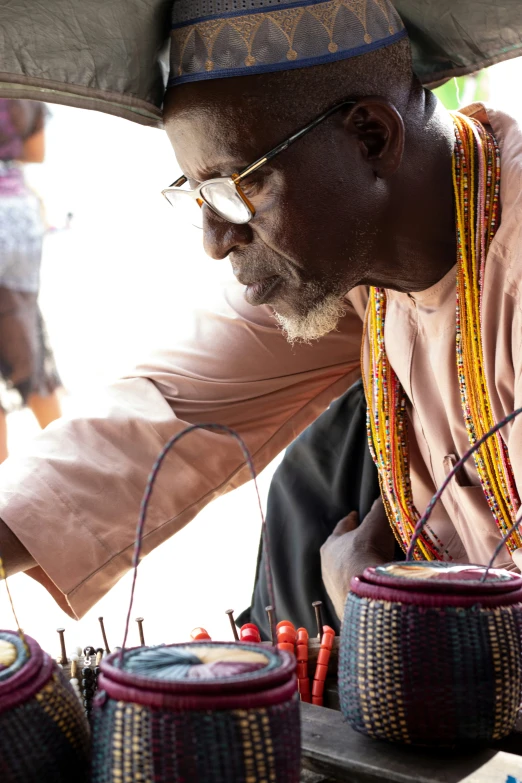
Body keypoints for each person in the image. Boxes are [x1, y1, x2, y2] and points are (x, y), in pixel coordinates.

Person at [0, 0, 521, 632]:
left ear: (370, 138)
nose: (215, 240)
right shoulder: (366, 263)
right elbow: (173, 407)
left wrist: (383, 608)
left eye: (237, 188)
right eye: (197, 195)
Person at [0, 99, 62, 463]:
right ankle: (68, 470)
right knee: (28, 337)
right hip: (17, 218)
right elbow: (36, 152)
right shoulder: (20, 73)